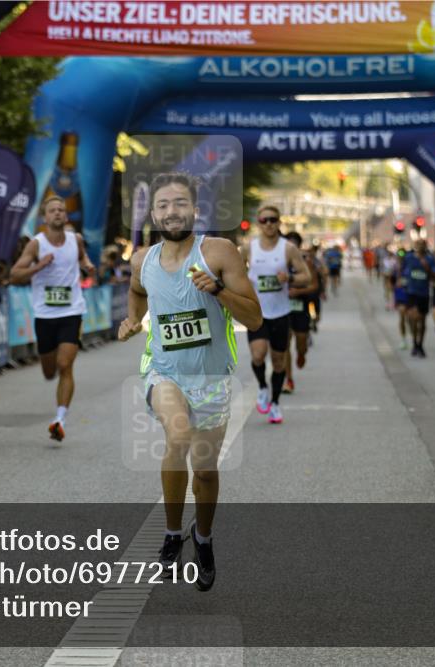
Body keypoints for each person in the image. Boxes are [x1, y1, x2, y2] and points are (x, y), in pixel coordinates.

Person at [117, 172, 261, 592]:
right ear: (153, 214)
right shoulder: (142, 260)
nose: (171, 211)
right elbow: (137, 290)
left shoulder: (218, 252)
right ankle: (171, 533)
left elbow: (254, 318)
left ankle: (204, 536)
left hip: (212, 378)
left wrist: (217, 291)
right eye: (163, 205)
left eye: (180, 203)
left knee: (206, 471)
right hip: (163, 370)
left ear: (195, 210)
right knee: (177, 435)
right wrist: (133, 319)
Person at [9, 196, 96, 442]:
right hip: (45, 314)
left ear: (65, 216)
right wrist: (38, 267)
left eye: (61, 210)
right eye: (52, 210)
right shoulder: (36, 245)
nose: (57, 213)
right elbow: (15, 274)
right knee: (49, 372)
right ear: (45, 218)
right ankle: (52, 375)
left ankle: (59, 419)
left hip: (71, 311)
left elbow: (82, 257)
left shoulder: (75, 240)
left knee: (65, 365)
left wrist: (88, 265)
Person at [241, 206, 311, 424]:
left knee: (279, 362)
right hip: (257, 313)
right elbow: (235, 274)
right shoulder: (249, 248)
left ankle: (275, 403)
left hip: (281, 312)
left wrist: (289, 278)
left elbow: (306, 276)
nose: (269, 224)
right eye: (264, 220)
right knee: (258, 355)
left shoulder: (288, 248)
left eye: (273, 220)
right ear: (259, 223)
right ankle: (263, 387)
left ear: (279, 222)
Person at [283, 232, 318, 394]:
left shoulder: (306, 261)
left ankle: (301, 353)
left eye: (294, 245)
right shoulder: (278, 261)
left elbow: (314, 286)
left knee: (301, 343)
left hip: (301, 307)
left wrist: (297, 291)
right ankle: (288, 379)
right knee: (284, 345)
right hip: (283, 308)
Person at [403, 239, 435, 358]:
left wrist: (427, 268)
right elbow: (402, 270)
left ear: (425, 246)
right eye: (417, 244)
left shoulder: (430, 259)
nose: (419, 246)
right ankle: (414, 342)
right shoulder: (409, 258)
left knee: (422, 320)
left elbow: (434, 278)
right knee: (412, 318)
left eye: (422, 244)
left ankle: (420, 345)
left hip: (423, 293)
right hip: (411, 292)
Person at [391, 249, 410, 349]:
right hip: (400, 296)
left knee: (410, 319)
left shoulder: (409, 268)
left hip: (410, 295)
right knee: (402, 316)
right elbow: (391, 282)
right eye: (398, 256)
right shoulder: (395, 268)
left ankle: (413, 336)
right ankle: (403, 339)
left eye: (402, 256)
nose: (400, 257)